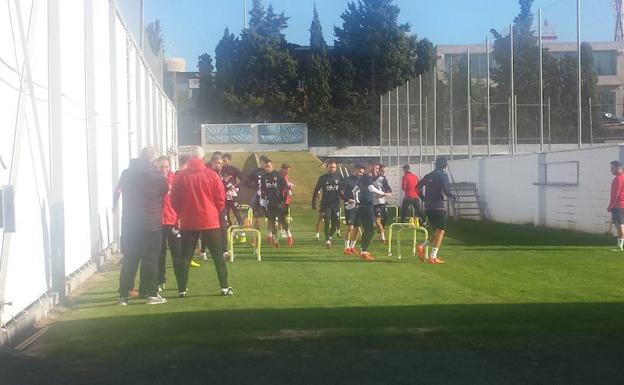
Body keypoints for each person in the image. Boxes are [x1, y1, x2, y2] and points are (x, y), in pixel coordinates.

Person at [171, 146, 233, 297]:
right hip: (210, 220)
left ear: (190, 157)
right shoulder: (211, 175)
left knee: (185, 257)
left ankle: (182, 289)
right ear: (203, 158)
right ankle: (224, 287)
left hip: (188, 221)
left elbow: (174, 198)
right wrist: (216, 212)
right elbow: (220, 198)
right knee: (218, 255)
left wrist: (181, 213)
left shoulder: (181, 176)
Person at [116, 147, 168, 305]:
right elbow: (164, 192)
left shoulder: (126, 173)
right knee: (151, 260)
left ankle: (123, 296)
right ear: (153, 160)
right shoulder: (157, 176)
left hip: (130, 223)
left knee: (130, 259)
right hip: (151, 223)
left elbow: (119, 189)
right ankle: (152, 294)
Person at [416, 156, 455, 264]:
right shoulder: (443, 175)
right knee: (441, 231)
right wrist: (452, 195)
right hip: (438, 206)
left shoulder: (428, 176)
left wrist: (423, 198)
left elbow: (416, 187)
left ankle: (422, 247)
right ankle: (432, 256)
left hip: (428, 207)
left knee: (436, 231)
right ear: (445, 165)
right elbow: (446, 190)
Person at [156, 156, 181, 292]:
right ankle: (160, 281)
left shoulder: (176, 179)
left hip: (174, 222)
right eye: (161, 167)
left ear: (170, 166)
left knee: (177, 254)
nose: (164, 169)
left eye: (166, 166)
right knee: (160, 255)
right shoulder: (154, 180)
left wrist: (179, 219)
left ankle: (181, 283)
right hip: (158, 222)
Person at [352, 162, 382, 261]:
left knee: (368, 229)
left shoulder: (362, 178)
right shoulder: (367, 177)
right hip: (367, 206)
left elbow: (354, 190)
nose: (377, 171)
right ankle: (363, 252)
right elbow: (371, 188)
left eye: (378, 169)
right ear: (370, 167)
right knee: (370, 229)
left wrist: (357, 200)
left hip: (362, 206)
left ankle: (363, 250)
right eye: (376, 168)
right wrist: (383, 193)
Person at [312, 161, 344, 248]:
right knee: (327, 221)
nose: (332, 169)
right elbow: (316, 190)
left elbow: (343, 189)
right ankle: (327, 240)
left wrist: (346, 198)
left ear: (335, 168)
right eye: (330, 167)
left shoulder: (339, 177)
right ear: (327, 168)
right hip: (326, 204)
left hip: (336, 204)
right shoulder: (323, 178)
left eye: (333, 167)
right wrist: (313, 203)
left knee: (334, 224)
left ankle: (329, 236)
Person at [177, 154, 200, 268]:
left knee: (183, 238)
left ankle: (187, 258)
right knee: (182, 238)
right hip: (183, 212)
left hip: (183, 211)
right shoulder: (180, 175)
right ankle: (185, 259)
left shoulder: (182, 175)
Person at [261, 159, 288, 247]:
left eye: (268, 166)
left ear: (272, 166)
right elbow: (263, 190)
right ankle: (275, 240)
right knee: (271, 221)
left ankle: (289, 234)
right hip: (270, 203)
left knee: (282, 220)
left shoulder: (278, 175)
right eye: (265, 167)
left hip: (279, 202)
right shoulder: (264, 177)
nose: (267, 168)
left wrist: (284, 200)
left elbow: (285, 188)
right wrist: (263, 200)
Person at [210, 153, 231, 259]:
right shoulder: (209, 174)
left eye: (221, 163)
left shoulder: (220, 174)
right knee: (210, 230)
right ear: (213, 163)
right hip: (211, 207)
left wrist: (228, 190)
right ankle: (203, 250)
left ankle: (224, 251)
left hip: (221, 206)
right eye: (218, 163)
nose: (221, 165)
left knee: (223, 227)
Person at [343, 164, 365, 254]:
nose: (361, 174)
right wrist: (348, 199)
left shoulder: (363, 181)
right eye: (360, 172)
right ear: (355, 170)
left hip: (359, 207)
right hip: (350, 206)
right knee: (350, 227)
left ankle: (352, 247)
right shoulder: (348, 180)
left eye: (362, 173)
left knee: (357, 227)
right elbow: (341, 192)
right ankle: (346, 248)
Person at [244, 155, 270, 233]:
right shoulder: (255, 172)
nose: (264, 164)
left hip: (268, 197)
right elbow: (247, 183)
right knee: (257, 217)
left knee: (270, 217)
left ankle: (270, 235)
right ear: (260, 162)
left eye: (265, 163)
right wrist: (254, 186)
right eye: (262, 162)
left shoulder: (270, 173)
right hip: (258, 198)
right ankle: (256, 237)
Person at [222, 153, 245, 226]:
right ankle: (229, 229)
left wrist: (237, 186)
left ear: (229, 160)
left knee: (236, 212)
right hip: (223, 194)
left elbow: (244, 179)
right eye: (223, 160)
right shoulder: (220, 170)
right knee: (226, 213)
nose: (223, 162)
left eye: (225, 160)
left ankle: (241, 229)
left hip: (233, 195)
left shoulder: (234, 169)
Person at [372, 164, 392, 242]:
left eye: (384, 171)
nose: (383, 172)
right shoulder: (370, 179)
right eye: (382, 170)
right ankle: (378, 232)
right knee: (376, 221)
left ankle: (382, 237)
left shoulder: (383, 179)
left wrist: (384, 193)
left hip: (380, 202)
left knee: (378, 220)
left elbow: (388, 189)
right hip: (372, 202)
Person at [608, 160, 624, 251]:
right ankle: (620, 244)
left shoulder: (618, 179)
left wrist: (610, 205)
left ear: (618, 168)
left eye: (612, 168)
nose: (611, 170)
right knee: (621, 225)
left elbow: (615, 194)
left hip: (618, 206)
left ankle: (620, 246)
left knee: (620, 226)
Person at [279, 163, 294, 246]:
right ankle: (286, 234)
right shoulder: (278, 176)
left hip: (285, 200)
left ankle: (286, 233)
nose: (287, 173)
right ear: (282, 169)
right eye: (286, 171)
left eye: (288, 171)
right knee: (274, 218)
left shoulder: (285, 176)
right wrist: (288, 187)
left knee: (282, 218)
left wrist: (289, 188)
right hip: (279, 200)